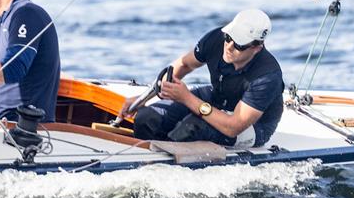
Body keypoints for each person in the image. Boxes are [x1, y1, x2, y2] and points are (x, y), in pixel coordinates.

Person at [119, 9, 284, 148]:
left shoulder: (267, 77)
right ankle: (145, 158)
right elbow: (184, 65)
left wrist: (186, 98)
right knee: (146, 118)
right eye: (228, 37)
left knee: (190, 129)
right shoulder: (216, 39)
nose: (229, 46)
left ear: (256, 48)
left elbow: (232, 127)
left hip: (253, 126)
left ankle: (166, 164)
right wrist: (144, 97)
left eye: (239, 45)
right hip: (216, 98)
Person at [0, 0, 61, 122]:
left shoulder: (26, 13)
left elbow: (15, 68)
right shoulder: (10, 16)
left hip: (22, 126)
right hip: (1, 120)